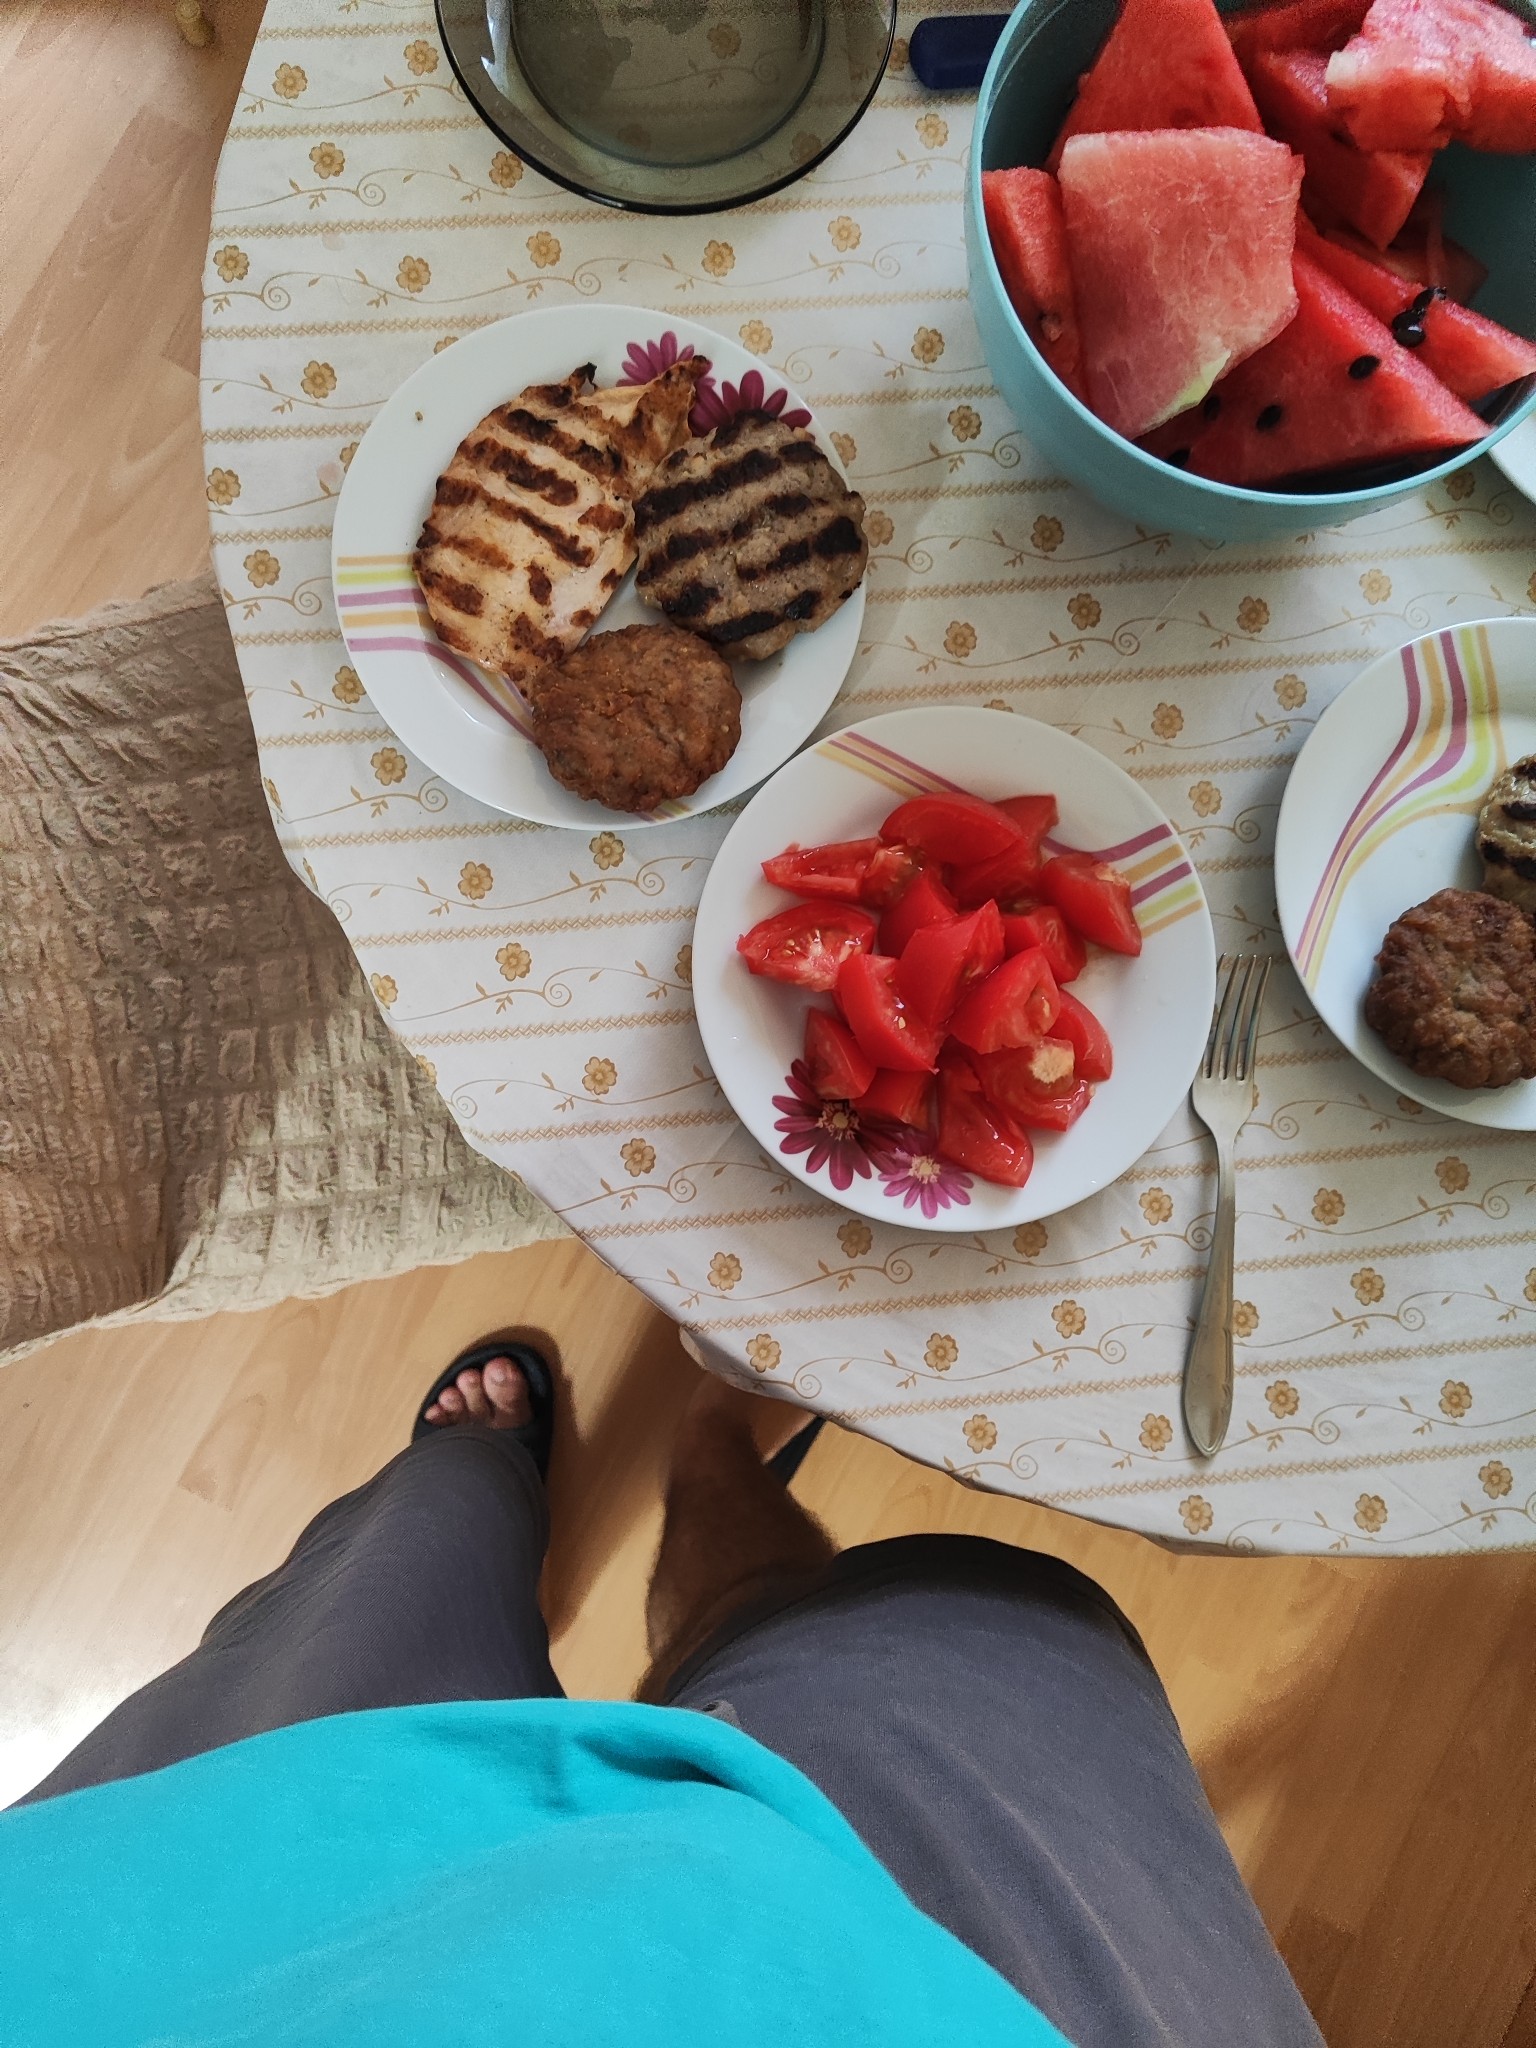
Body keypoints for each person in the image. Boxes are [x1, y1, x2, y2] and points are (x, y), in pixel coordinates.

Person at [1, 1336, 1323, 2047]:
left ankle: (486, 1496)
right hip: (938, 1984)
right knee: (973, 1632)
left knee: (393, 1577)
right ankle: (698, 1464)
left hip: (194, 1939)